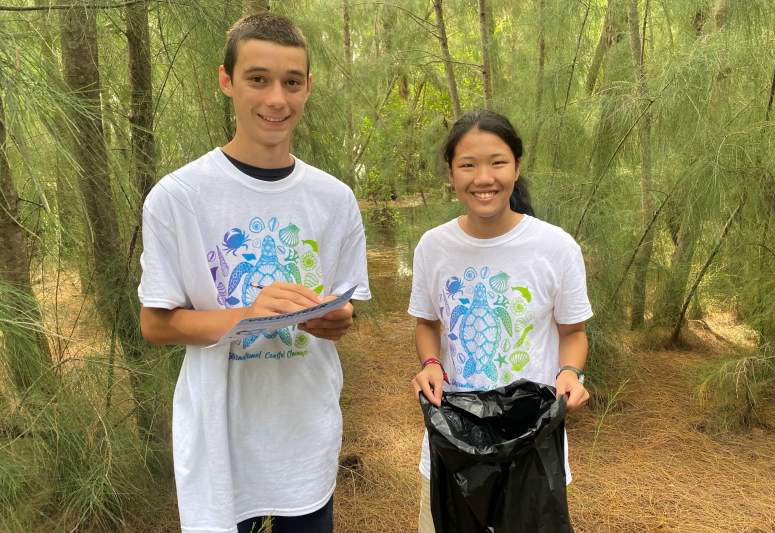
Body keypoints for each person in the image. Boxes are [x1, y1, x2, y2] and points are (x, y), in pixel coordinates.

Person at [137, 13, 370, 533]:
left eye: (291, 82)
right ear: (226, 81)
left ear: (308, 87)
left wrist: (336, 319)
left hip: (304, 431)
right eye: (257, 79)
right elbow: (156, 324)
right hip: (221, 435)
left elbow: (343, 306)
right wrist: (249, 314)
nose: (276, 100)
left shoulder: (334, 198)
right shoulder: (178, 197)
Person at [409, 110, 593, 532]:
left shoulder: (555, 247)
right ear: (452, 175)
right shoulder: (434, 247)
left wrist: (569, 372)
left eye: (497, 162)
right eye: (468, 165)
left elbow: (574, 332)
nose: (483, 177)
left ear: (517, 167)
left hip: (532, 449)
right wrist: (431, 365)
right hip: (453, 445)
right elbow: (426, 324)